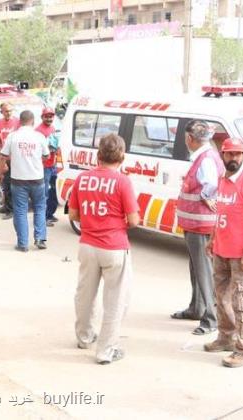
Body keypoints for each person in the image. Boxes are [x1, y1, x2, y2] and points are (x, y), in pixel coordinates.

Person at [68, 134, 140, 365]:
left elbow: (73, 215)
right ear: (122, 156)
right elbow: (134, 220)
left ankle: (84, 336)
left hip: (87, 244)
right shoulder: (123, 182)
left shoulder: (83, 179)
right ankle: (105, 351)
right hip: (114, 247)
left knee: (85, 294)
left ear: (98, 155)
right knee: (115, 300)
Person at [204, 137, 243, 368]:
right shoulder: (222, 180)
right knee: (221, 297)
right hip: (221, 251)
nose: (234, 158)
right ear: (223, 155)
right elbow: (221, 213)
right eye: (230, 154)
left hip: (240, 255)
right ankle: (226, 337)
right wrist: (212, 238)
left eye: (238, 154)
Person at [172, 120, 225, 335]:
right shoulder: (206, 156)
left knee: (204, 271)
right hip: (195, 223)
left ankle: (211, 318)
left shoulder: (205, 160)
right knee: (196, 268)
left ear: (189, 139)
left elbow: (211, 185)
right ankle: (197, 308)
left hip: (201, 224)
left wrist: (205, 196)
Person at [0, 110, 50, 252]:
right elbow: (46, 155)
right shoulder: (39, 136)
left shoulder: (12, 136)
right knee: (39, 208)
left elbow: (3, 156)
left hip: (18, 180)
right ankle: (40, 239)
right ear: (33, 121)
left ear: (19, 121)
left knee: (20, 211)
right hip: (37, 179)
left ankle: (22, 244)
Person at [0, 103, 20, 220]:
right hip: (5, 158)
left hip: (16, 158)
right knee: (7, 184)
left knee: (17, 185)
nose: (8, 113)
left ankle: (18, 209)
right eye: (6, 111)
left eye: (10, 111)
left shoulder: (17, 122)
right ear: (2, 112)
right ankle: (9, 210)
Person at [35, 107, 59, 227]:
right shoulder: (38, 131)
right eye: (47, 116)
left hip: (53, 164)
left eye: (51, 116)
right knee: (43, 193)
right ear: (42, 117)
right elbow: (37, 149)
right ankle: (43, 218)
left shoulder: (53, 128)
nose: (49, 118)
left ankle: (49, 214)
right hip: (44, 166)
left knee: (53, 191)